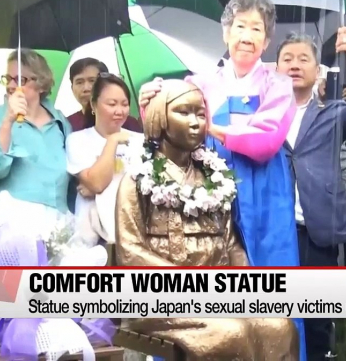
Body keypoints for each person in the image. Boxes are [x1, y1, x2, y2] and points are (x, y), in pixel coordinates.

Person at [138, 0, 306, 360]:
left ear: (267, 39)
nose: (247, 35)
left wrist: (211, 127)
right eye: (240, 26)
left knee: (273, 287)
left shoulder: (278, 85)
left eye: (256, 28)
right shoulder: (197, 82)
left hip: (266, 196)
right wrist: (149, 101)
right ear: (226, 32)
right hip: (206, 192)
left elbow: (265, 142)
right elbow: (168, 130)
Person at [116, 79, 299, 360]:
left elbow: (230, 243)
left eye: (200, 114)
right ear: (160, 117)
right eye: (183, 112)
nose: (195, 122)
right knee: (230, 334)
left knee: (279, 326)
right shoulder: (137, 178)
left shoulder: (214, 177)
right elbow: (130, 252)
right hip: (161, 297)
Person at [275, 31, 346, 359]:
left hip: (316, 233)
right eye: (288, 59)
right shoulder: (261, 114)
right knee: (273, 320)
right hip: (273, 232)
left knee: (315, 323)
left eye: (303, 59)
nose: (295, 65)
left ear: (318, 71)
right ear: (276, 68)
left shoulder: (332, 113)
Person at [0, 49, 72, 213]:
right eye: (8, 78)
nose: (11, 86)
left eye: (20, 79)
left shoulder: (60, 122)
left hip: (58, 222)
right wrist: (8, 121)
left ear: (41, 85)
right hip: (12, 221)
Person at [66, 73, 143, 245]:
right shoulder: (77, 140)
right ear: (93, 105)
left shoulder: (140, 141)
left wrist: (103, 190)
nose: (119, 110)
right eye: (112, 104)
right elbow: (97, 183)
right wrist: (113, 140)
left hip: (132, 232)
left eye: (124, 104)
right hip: (92, 237)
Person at [65, 58, 142, 133]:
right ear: (72, 88)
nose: (86, 88)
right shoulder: (67, 125)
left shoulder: (129, 124)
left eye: (92, 80)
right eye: (79, 82)